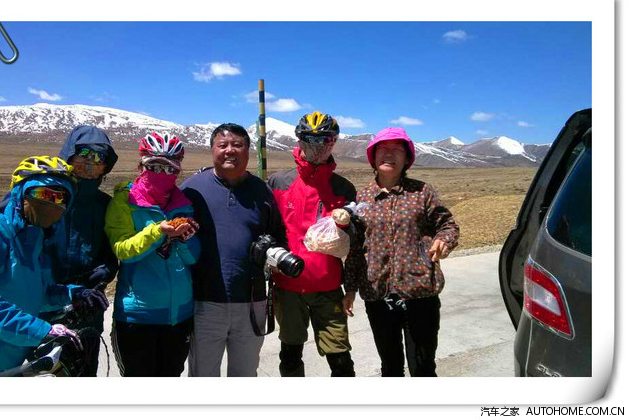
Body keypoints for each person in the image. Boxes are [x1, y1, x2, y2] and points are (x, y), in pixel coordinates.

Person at [0, 125, 120, 376]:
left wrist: (102, 274)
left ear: (105, 168)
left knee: (82, 369)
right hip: (35, 304)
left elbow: (111, 251)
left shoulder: (103, 204)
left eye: (98, 163)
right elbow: (1, 232)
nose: (89, 168)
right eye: (83, 161)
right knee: (34, 371)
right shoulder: (40, 196)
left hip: (82, 303)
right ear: (69, 158)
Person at [343, 127, 460, 377]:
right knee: (390, 367)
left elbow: (447, 225)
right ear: (373, 157)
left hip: (420, 294)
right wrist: (350, 288)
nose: (389, 154)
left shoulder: (422, 192)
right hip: (377, 295)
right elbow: (355, 247)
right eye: (383, 149)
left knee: (423, 367)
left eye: (397, 150)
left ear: (407, 159)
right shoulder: (362, 197)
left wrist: (443, 240)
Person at [180, 123, 287, 377]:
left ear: (248, 151)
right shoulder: (192, 189)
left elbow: (278, 235)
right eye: (223, 145)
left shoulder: (262, 191)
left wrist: (272, 254)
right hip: (204, 301)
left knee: (245, 373)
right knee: (203, 375)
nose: (230, 150)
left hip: (252, 300)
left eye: (237, 145)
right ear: (212, 150)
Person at [267, 111, 359, 377]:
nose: (317, 147)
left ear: (334, 142)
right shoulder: (278, 182)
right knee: (290, 354)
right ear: (299, 140)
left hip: (328, 287)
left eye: (325, 140)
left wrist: (351, 287)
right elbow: (266, 230)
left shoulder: (343, 188)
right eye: (309, 139)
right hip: (288, 286)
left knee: (340, 359)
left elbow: (355, 242)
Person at [104, 131, 200, 377]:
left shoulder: (183, 204)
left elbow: (193, 258)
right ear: (141, 166)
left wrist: (184, 240)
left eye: (170, 168)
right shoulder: (124, 202)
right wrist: (158, 231)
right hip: (138, 315)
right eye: (155, 166)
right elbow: (123, 250)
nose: (162, 174)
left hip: (179, 314)